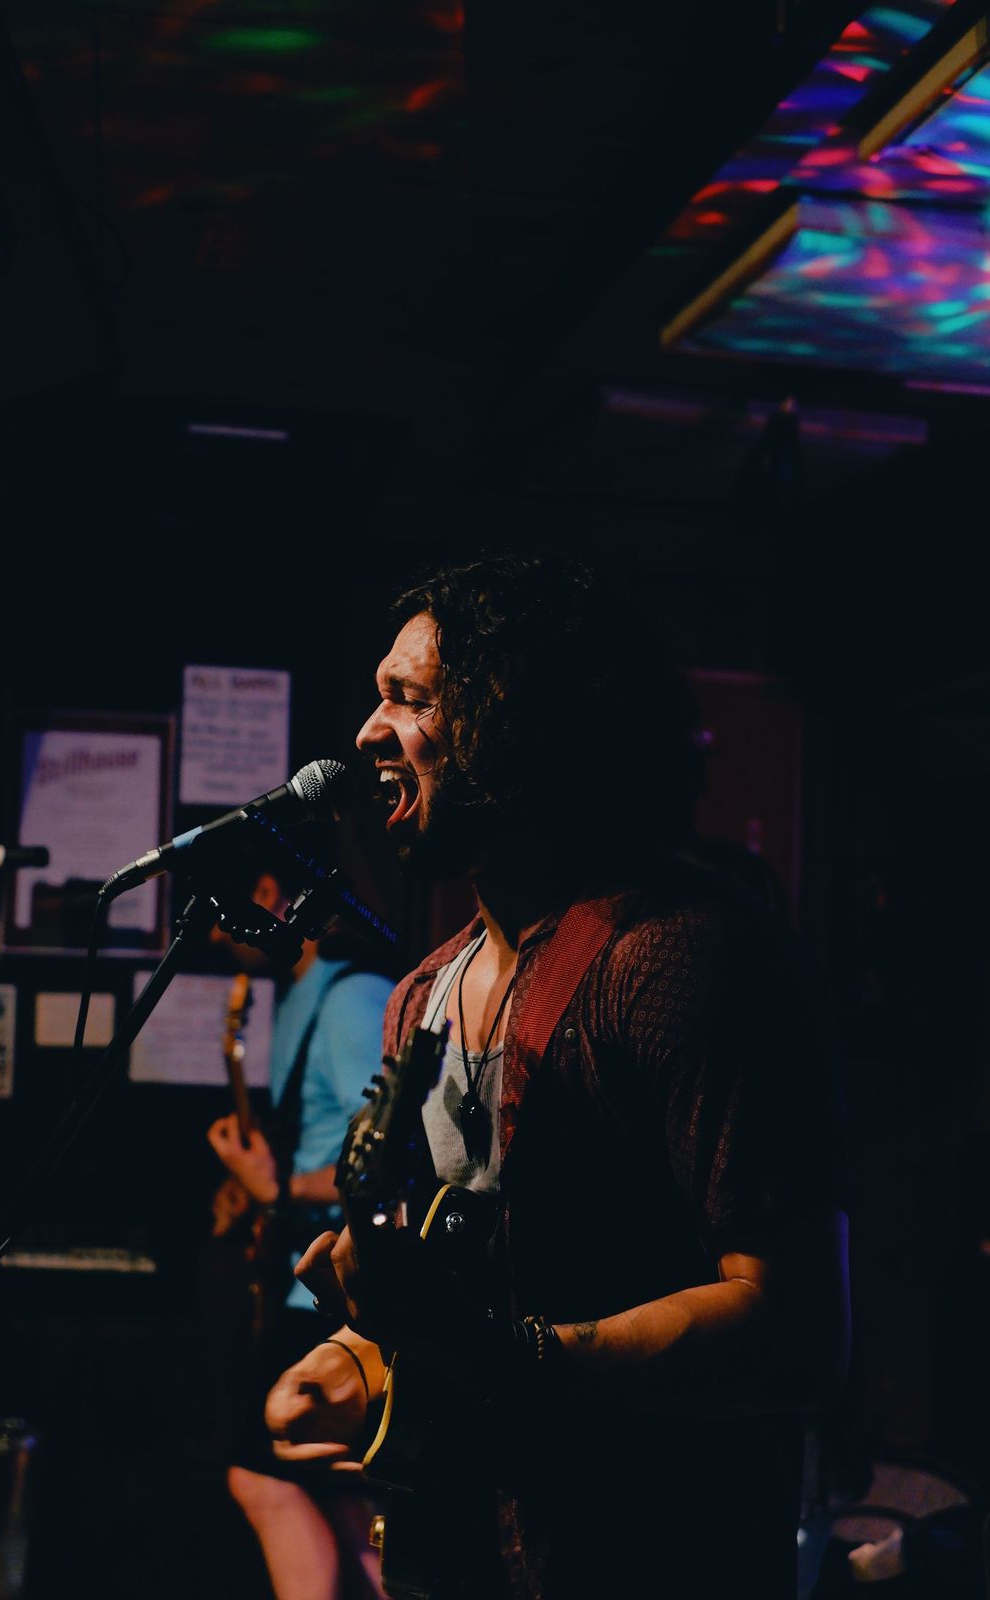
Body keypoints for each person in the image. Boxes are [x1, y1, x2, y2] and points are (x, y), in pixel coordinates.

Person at [262, 555, 851, 1599]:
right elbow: (467, 1294)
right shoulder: (421, 995)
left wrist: (511, 1360)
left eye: (408, 697)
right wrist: (358, 1360)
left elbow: (795, 1329)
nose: (365, 731)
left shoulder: (680, 960)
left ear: (515, 721)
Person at [207, 866, 393, 1600]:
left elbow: (387, 1157)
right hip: (306, 1286)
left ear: (266, 892)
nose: (214, 938)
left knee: (265, 1478)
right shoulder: (299, 997)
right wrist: (253, 1191)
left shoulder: (351, 999)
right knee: (340, 1506)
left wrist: (277, 1190)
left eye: (218, 916)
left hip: (336, 1293)